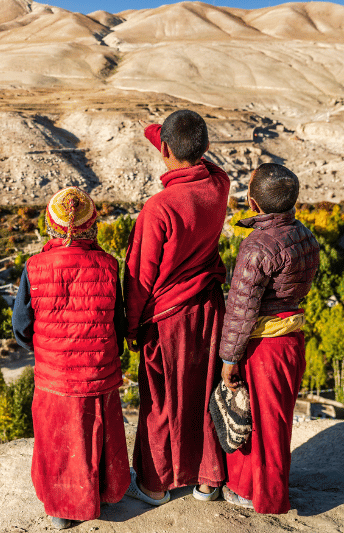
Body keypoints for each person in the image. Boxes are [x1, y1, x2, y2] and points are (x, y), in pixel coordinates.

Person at [123, 110, 230, 506]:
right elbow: (200, 159)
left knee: (161, 402)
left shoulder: (159, 208)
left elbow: (139, 279)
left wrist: (132, 329)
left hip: (167, 320)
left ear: (164, 149)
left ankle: (155, 484)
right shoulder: (219, 185)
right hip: (209, 309)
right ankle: (207, 480)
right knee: (205, 392)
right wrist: (167, 136)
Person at [12, 187, 131, 530]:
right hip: (98, 370)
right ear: (92, 226)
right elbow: (118, 323)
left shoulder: (34, 267)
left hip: (54, 374)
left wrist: (45, 349)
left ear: (49, 225)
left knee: (59, 440)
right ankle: (103, 495)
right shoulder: (108, 265)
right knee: (97, 435)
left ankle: (60, 509)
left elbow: (21, 326)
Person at [219, 162, 320, 513]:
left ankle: (263, 496)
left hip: (264, 345)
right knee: (275, 420)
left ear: (252, 202)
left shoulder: (256, 247)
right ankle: (256, 487)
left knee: (259, 425)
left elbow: (240, 309)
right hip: (291, 337)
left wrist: (229, 359)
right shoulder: (305, 235)